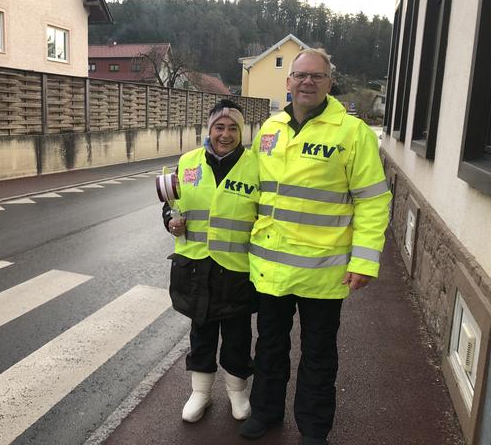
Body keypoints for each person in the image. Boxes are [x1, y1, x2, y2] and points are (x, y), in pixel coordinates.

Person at [238, 49, 391, 445]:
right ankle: (267, 413)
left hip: (323, 272)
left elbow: (373, 201)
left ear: (329, 82)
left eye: (316, 76)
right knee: (269, 346)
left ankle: (314, 427)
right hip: (271, 267)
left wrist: (366, 261)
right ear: (287, 82)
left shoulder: (351, 132)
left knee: (319, 354)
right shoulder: (269, 128)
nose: (307, 82)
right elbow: (249, 190)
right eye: (300, 76)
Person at [163, 98, 259, 423]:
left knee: (237, 335)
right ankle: (200, 393)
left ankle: (237, 392)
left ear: (241, 132)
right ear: (209, 129)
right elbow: (171, 205)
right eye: (219, 127)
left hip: (237, 269)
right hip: (195, 267)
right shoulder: (188, 162)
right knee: (201, 333)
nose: (225, 134)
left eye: (233, 128)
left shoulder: (256, 166)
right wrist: (170, 221)